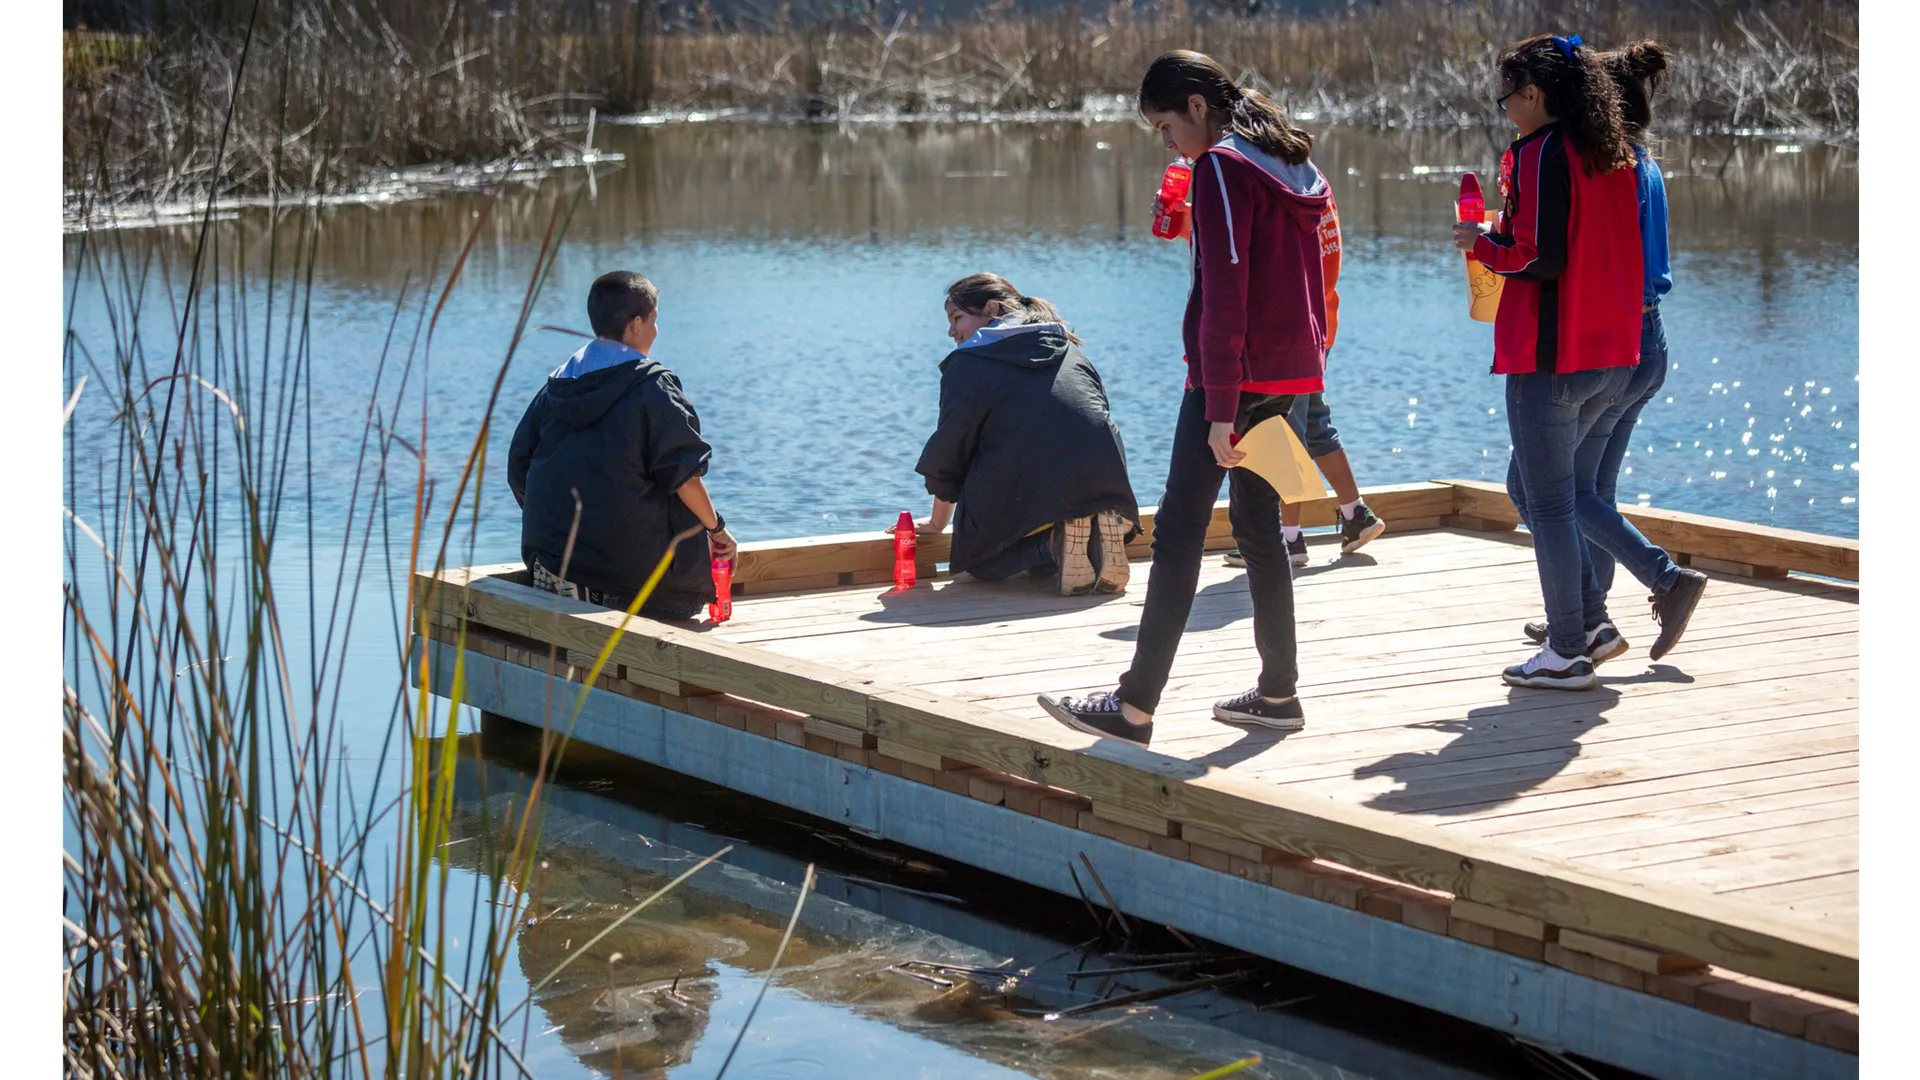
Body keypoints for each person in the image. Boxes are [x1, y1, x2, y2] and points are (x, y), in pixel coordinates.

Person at [1038, 50, 1334, 745]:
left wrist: (1220, 407)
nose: (1169, 144)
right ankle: (1278, 694)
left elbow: (1227, 294)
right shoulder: (1289, 161)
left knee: (1177, 533)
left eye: (1167, 126)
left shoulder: (1223, 167)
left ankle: (1133, 706)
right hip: (1287, 371)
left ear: (1198, 107)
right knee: (1260, 529)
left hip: (1231, 380)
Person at [1452, 33, 1680, 691]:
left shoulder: (1537, 152)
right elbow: (1579, 245)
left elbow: (1541, 257)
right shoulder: (1611, 154)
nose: (1503, 109)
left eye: (1505, 97)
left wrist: (1482, 243)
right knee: (1565, 494)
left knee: (1550, 504)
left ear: (1533, 94)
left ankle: (1567, 650)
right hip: (1615, 348)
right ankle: (1592, 625)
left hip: (1551, 353)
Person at [1521, 41, 1706, 662]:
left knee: (1548, 488)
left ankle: (1657, 581)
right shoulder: (1641, 162)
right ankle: (1590, 614)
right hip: (1650, 335)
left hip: (1612, 336)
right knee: (1592, 487)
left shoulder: (1602, 167)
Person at [1164, 158, 1385, 570]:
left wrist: (1194, 225)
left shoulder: (1277, 181)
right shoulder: (1308, 179)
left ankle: (1290, 538)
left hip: (1288, 337)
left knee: (1287, 432)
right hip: (1315, 327)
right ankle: (1356, 513)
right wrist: (1193, 222)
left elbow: (1256, 255)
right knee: (1314, 422)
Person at [507, 271, 735, 622]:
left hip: (552, 565)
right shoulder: (652, 386)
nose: (656, 331)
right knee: (687, 540)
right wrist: (717, 530)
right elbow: (685, 477)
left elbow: (518, 467)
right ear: (635, 324)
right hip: (629, 582)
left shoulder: (556, 387)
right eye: (654, 320)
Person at [908, 273, 1139, 594]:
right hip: (1105, 487)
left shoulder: (969, 363)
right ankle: (1099, 531)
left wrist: (938, 522)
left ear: (992, 309)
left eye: (956, 318)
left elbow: (952, 448)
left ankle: (1053, 544)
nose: (951, 332)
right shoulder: (1068, 348)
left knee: (976, 563)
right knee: (1057, 490)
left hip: (1032, 486)